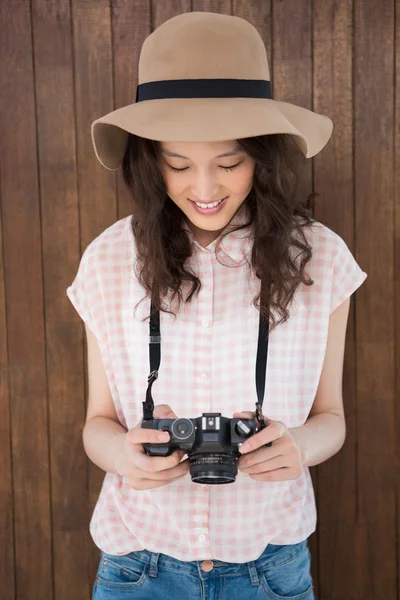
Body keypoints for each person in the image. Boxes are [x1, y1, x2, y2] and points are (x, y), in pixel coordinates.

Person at [66, 11, 368, 600]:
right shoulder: (108, 258)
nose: (204, 190)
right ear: (149, 160)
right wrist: (126, 456)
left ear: (263, 155)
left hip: (270, 567)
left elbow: (331, 419)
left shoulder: (322, 258)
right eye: (178, 165)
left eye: (229, 163)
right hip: (137, 566)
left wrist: (297, 447)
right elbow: (97, 424)